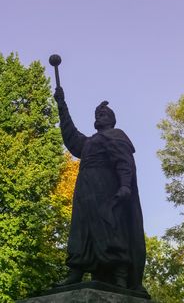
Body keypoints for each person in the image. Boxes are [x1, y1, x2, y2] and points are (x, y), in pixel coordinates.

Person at [54, 87, 147, 292]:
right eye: (97, 114)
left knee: (111, 228)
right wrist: (62, 105)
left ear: (112, 120)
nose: (99, 115)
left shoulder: (116, 135)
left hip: (106, 191)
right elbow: (71, 136)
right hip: (84, 192)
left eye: (103, 114)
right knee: (80, 230)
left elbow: (124, 162)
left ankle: (120, 276)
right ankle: (75, 272)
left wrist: (124, 185)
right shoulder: (88, 142)